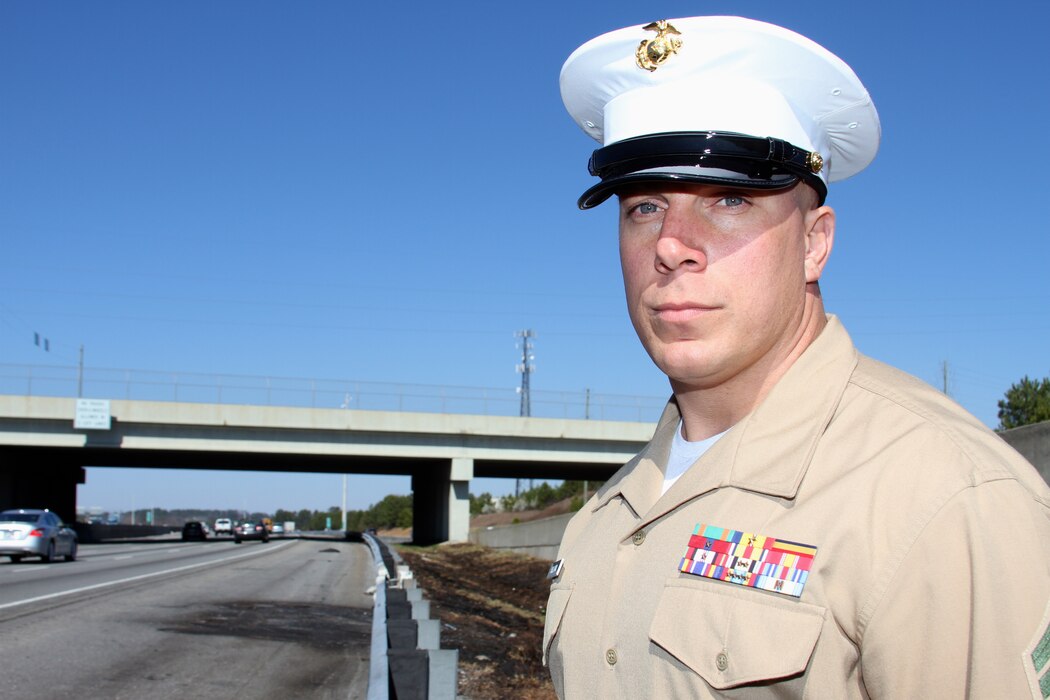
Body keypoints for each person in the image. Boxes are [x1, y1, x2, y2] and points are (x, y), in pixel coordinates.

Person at [543, 16, 1050, 698]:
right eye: (643, 207)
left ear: (815, 244)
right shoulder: (604, 517)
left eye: (730, 199)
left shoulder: (944, 501)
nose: (671, 244)